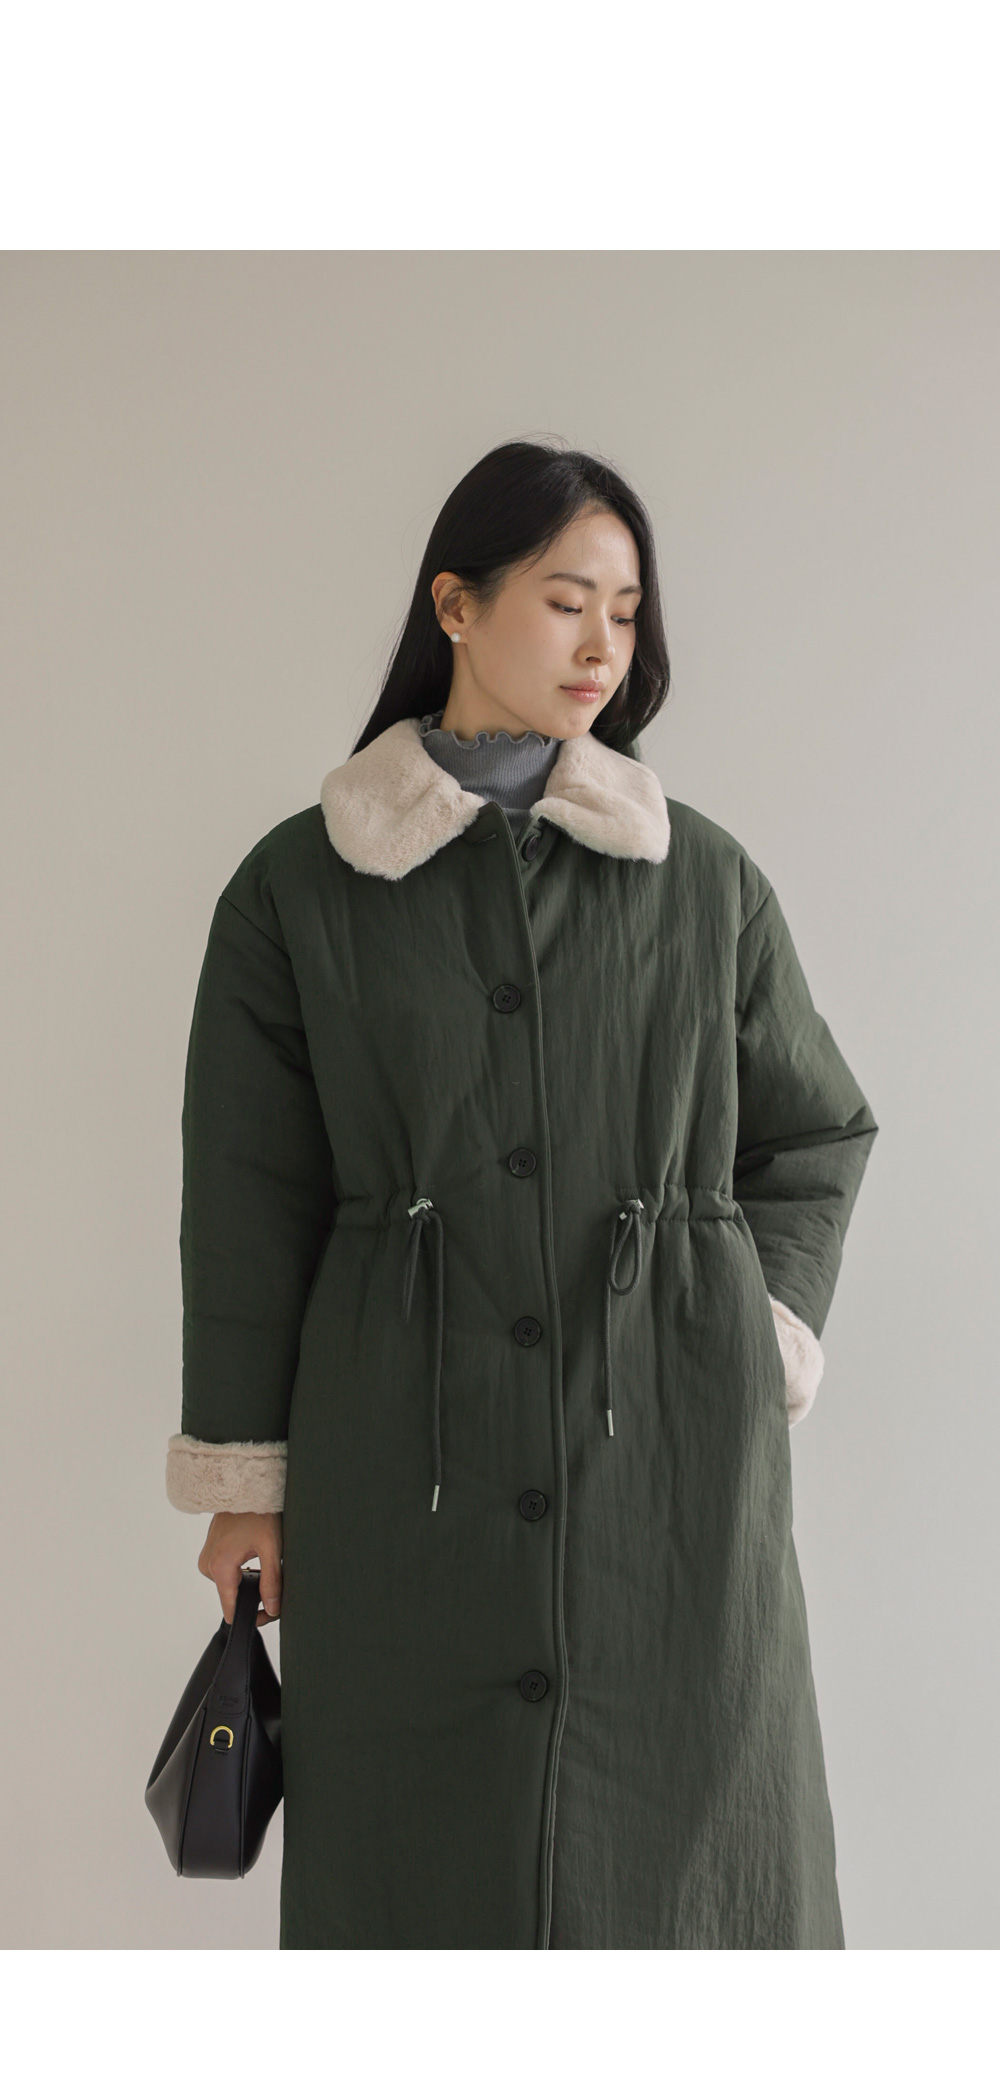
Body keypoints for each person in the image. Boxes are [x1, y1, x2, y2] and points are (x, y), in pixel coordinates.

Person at [165, 438, 878, 1949]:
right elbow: (247, 1199)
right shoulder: (299, 890)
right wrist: (245, 1489)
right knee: (422, 1878)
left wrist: (749, 1336)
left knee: (691, 1880)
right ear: (456, 604)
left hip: (670, 1474)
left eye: (626, 610)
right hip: (400, 1469)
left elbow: (816, 1132)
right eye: (566, 601)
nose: (604, 645)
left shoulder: (703, 882)